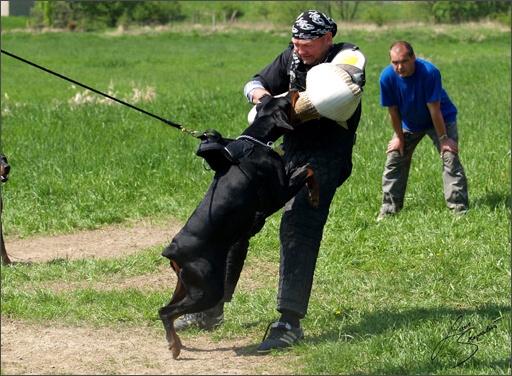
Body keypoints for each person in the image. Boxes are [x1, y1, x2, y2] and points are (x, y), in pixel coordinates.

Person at [173, 9, 366, 353]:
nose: (300, 51)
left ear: (327, 39)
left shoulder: (347, 55)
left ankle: (289, 321)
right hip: (287, 150)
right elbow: (253, 83)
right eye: (295, 44)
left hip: (326, 154)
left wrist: (288, 104)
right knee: (238, 216)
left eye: (307, 45)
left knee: (298, 223)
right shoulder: (289, 58)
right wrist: (263, 98)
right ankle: (209, 307)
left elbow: (341, 88)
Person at [377, 41, 469, 220]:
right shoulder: (386, 77)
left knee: (450, 157)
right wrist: (398, 137)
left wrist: (444, 139)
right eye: (395, 62)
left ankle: (459, 209)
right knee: (395, 157)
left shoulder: (429, 72)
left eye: (404, 61)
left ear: (413, 58)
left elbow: (434, 109)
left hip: (441, 120)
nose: (399, 67)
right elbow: (393, 111)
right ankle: (388, 210)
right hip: (410, 123)